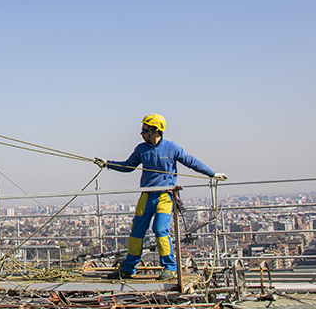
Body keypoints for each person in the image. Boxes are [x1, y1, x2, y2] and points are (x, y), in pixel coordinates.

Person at [95, 114, 226, 281]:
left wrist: (212, 174)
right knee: (137, 231)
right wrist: (108, 164)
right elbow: (128, 166)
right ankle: (128, 268)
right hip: (146, 196)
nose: (141, 133)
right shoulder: (141, 149)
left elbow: (192, 162)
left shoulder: (172, 148)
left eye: (144, 130)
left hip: (165, 196)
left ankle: (170, 267)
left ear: (155, 131)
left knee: (160, 229)